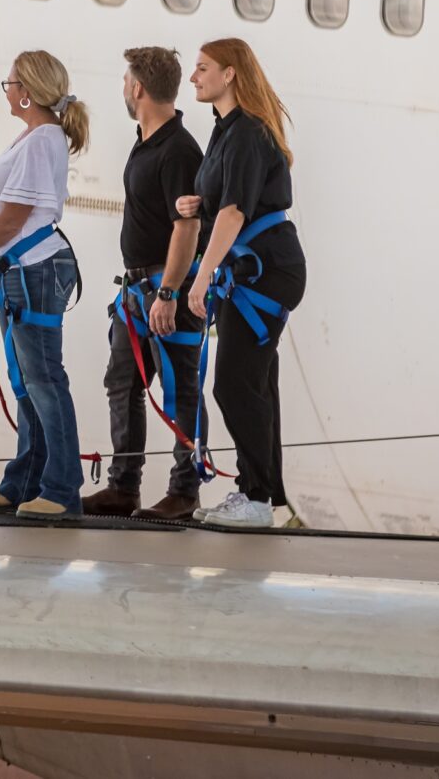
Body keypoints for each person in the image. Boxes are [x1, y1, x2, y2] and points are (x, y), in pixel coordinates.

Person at [153, 37, 309, 530]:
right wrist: (192, 205)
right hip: (255, 271)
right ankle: (264, 493)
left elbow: (236, 211)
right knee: (255, 382)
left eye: (202, 69)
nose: (194, 78)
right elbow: (223, 199)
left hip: (265, 272)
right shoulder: (227, 131)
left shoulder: (246, 133)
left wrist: (197, 283)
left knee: (234, 385)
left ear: (230, 75)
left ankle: (256, 497)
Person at [0, 50, 91, 519]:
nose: (7, 89)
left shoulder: (41, 140)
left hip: (31, 271)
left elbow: (14, 215)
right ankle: (25, 482)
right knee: (28, 382)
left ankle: (60, 488)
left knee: (44, 380)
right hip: (21, 271)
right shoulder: (36, 135)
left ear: (27, 92)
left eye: (10, 82)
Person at [85, 46, 207, 521]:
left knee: (180, 391)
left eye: (125, 81)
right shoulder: (147, 140)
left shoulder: (178, 150)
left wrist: (168, 293)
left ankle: (184, 491)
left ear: (138, 88)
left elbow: (188, 228)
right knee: (123, 382)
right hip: (136, 292)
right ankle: (123, 487)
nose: (122, 88)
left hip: (162, 292)